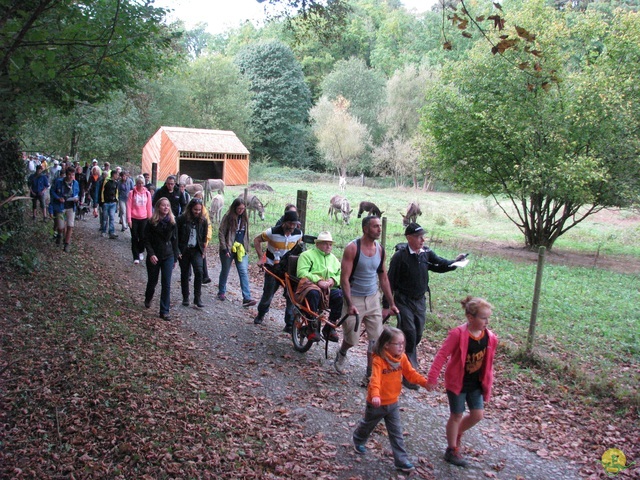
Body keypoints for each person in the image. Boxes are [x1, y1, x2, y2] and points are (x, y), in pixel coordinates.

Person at [384, 222, 466, 390]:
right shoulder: (400, 257)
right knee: (410, 333)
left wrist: (455, 263)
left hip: (419, 301)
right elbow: (389, 281)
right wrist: (387, 304)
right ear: (409, 238)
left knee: (418, 334)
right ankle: (409, 374)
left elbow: (440, 264)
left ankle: (396, 357)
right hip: (403, 300)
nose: (422, 240)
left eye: (423, 237)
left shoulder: (426, 253)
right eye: (419, 237)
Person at [426, 296, 498, 468]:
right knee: (457, 414)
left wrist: (488, 381)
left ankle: (456, 433)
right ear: (470, 318)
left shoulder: (489, 338)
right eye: (483, 318)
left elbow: (488, 363)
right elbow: (442, 355)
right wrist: (432, 377)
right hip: (457, 382)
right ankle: (451, 449)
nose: (486, 322)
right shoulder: (458, 334)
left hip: (475, 383)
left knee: (477, 415)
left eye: (488, 318)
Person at [352, 326, 427, 474]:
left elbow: (410, 374)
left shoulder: (402, 358)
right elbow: (375, 379)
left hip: (392, 403)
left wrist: (425, 383)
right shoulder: (379, 360)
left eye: (403, 343)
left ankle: (401, 460)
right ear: (387, 344)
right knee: (367, 425)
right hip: (376, 404)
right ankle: (358, 438)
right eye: (398, 344)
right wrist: (375, 395)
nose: (401, 347)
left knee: (396, 432)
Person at [335, 216, 399, 386]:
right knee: (352, 339)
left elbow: (383, 278)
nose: (379, 229)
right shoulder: (352, 248)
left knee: (376, 341)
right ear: (365, 228)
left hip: (372, 299)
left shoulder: (380, 250)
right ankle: (342, 352)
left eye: (380, 226)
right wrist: (349, 304)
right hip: (354, 297)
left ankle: (370, 376)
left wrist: (391, 303)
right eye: (375, 226)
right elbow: (345, 279)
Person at [253, 210, 303, 331]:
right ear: (284, 222)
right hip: (273, 268)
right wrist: (261, 257)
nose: (292, 227)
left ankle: (289, 324)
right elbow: (257, 240)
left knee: (291, 297)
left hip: (289, 270)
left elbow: (298, 246)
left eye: (294, 224)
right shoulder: (272, 232)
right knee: (268, 293)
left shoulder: (298, 234)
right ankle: (261, 314)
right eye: (290, 223)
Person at [295, 231, 342, 342]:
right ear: (317, 244)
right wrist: (318, 280)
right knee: (314, 293)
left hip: (329, 289)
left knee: (341, 296)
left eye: (330, 244)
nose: (328, 246)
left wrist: (333, 280)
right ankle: (312, 326)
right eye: (325, 243)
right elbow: (301, 272)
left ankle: (329, 328)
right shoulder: (306, 255)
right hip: (311, 287)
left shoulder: (334, 259)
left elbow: (341, 274)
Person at [217, 198, 257, 307]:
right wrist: (224, 248)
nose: (241, 211)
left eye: (243, 209)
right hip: (228, 248)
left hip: (241, 249)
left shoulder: (245, 219)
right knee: (225, 270)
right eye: (239, 208)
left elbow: (246, 234)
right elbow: (221, 232)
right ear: (234, 207)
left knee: (243, 271)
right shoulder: (228, 217)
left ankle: (247, 298)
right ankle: (221, 291)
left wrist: (247, 247)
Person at [144, 197, 179, 321]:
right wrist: (151, 254)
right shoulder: (151, 222)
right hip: (154, 255)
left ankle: (164, 311)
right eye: (163, 205)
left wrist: (175, 257)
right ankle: (148, 297)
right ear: (158, 207)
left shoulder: (173, 222)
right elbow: (146, 240)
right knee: (152, 281)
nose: (166, 208)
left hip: (168, 255)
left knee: (166, 283)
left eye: (168, 206)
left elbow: (175, 241)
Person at [177, 198, 209, 308]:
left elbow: (204, 236)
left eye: (199, 210)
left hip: (196, 249)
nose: (197, 212)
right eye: (195, 209)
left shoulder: (203, 220)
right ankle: (185, 297)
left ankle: (197, 297)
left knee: (199, 272)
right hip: (184, 250)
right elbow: (176, 235)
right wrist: (177, 250)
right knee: (185, 273)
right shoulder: (182, 219)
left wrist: (203, 250)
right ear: (190, 208)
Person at [50, 166, 79, 253]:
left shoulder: (75, 183)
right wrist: (58, 198)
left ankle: (66, 243)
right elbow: (52, 191)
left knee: (70, 225)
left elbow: (77, 193)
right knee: (61, 226)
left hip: (71, 206)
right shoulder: (59, 182)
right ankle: (59, 235)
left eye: (72, 175)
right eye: (69, 175)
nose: (71, 177)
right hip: (60, 206)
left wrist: (77, 198)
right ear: (66, 175)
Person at [127, 175, 153, 265]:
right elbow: (129, 207)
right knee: (134, 237)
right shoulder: (132, 193)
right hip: (134, 218)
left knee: (143, 236)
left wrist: (150, 219)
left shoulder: (147, 193)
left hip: (144, 218)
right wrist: (129, 219)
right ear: (136, 183)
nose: (140, 185)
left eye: (142, 183)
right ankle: (135, 256)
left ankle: (141, 250)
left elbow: (149, 207)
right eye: (138, 183)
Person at [192, 191, 212, 284]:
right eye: (197, 198)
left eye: (200, 198)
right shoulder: (189, 212)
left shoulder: (204, 211)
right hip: (191, 239)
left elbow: (208, 225)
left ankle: (204, 276)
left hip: (201, 238)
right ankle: (188, 275)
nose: (199, 200)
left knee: (202, 256)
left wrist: (207, 238)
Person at [100, 170, 119, 239]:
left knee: (112, 218)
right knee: (105, 218)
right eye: (116, 174)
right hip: (106, 202)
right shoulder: (106, 182)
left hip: (113, 202)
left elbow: (116, 192)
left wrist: (116, 200)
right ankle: (104, 231)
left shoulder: (116, 183)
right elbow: (102, 191)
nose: (117, 176)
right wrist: (102, 201)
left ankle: (111, 232)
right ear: (113, 175)